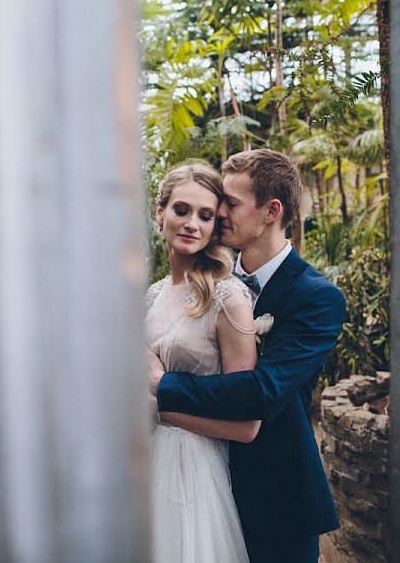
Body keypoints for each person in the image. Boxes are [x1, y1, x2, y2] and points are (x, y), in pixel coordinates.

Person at [149, 149, 346, 563]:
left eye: (230, 204)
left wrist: (160, 388)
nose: (218, 214)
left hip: (274, 498)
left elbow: (261, 392)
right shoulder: (209, 281)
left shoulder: (316, 298)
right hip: (194, 481)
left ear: (271, 211)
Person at [146, 162, 260, 563]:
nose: (192, 223)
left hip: (194, 473)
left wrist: (162, 409)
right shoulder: (152, 295)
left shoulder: (228, 298)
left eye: (205, 215)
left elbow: (246, 424)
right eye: (181, 210)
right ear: (160, 213)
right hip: (144, 463)